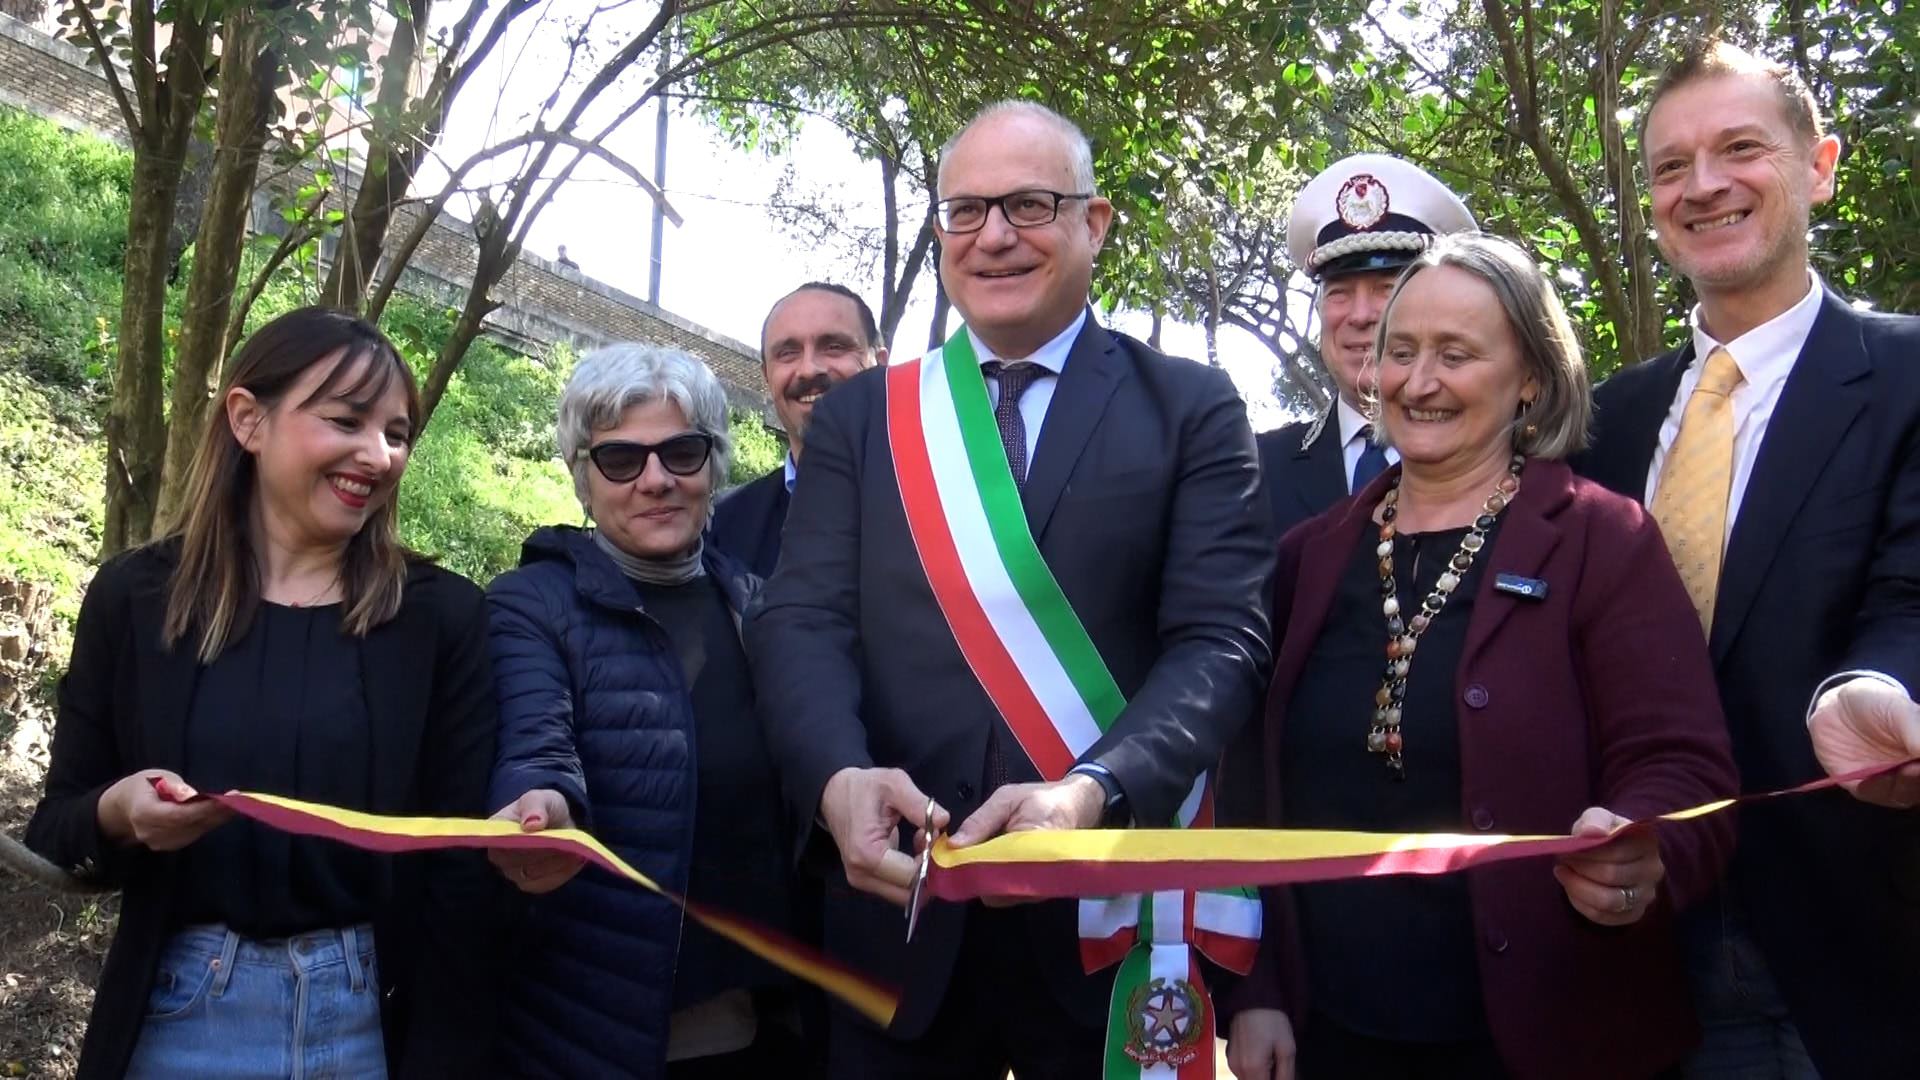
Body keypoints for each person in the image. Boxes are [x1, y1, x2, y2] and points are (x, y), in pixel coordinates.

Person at [745, 100, 1273, 1077]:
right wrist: (834, 775)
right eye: (966, 210)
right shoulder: (868, 417)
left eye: (1029, 205)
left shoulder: (1191, 408)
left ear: (1095, 222)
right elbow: (803, 619)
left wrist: (1096, 791)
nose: (993, 237)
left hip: (1101, 917)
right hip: (896, 912)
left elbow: (1222, 641)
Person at [1225, 234, 1738, 1080]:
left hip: (1546, 1034)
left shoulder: (1599, 540)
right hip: (1331, 1035)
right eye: (1401, 352)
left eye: (1456, 355)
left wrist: (1642, 847)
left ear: (1531, 378)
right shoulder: (1306, 559)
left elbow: (1682, 764)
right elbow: (1251, 792)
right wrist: (1261, 989)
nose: (1419, 383)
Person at [24, 306, 505, 1079]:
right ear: (248, 419)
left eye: (397, 432)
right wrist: (118, 813)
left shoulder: (442, 617)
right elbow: (58, 828)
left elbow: (462, 875)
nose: (377, 455)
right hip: (179, 1017)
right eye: (346, 420)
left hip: (371, 1025)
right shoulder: (135, 599)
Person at [1577, 39, 1920, 1079]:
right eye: (1672, 166)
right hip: (1635, 949)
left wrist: (1882, 693)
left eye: (1740, 149)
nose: (1705, 185)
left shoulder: (1908, 375)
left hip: (1858, 938)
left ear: (1818, 165)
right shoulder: (1606, 421)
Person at [485, 344, 803, 1078]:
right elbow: (536, 740)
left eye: (681, 453)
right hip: (603, 1031)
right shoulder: (532, 604)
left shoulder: (761, 606)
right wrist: (539, 805)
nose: (656, 480)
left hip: (770, 1025)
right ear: (583, 479)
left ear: (714, 465)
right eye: (622, 460)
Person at [1257, 155, 1475, 538]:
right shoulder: (1256, 469)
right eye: (1339, 292)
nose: (1360, 315)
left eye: (1386, 289)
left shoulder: (1494, 459)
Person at [710, 282, 887, 577]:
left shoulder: (946, 500)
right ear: (767, 376)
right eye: (787, 353)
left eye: (834, 346)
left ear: (879, 365)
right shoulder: (725, 528)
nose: (808, 369)